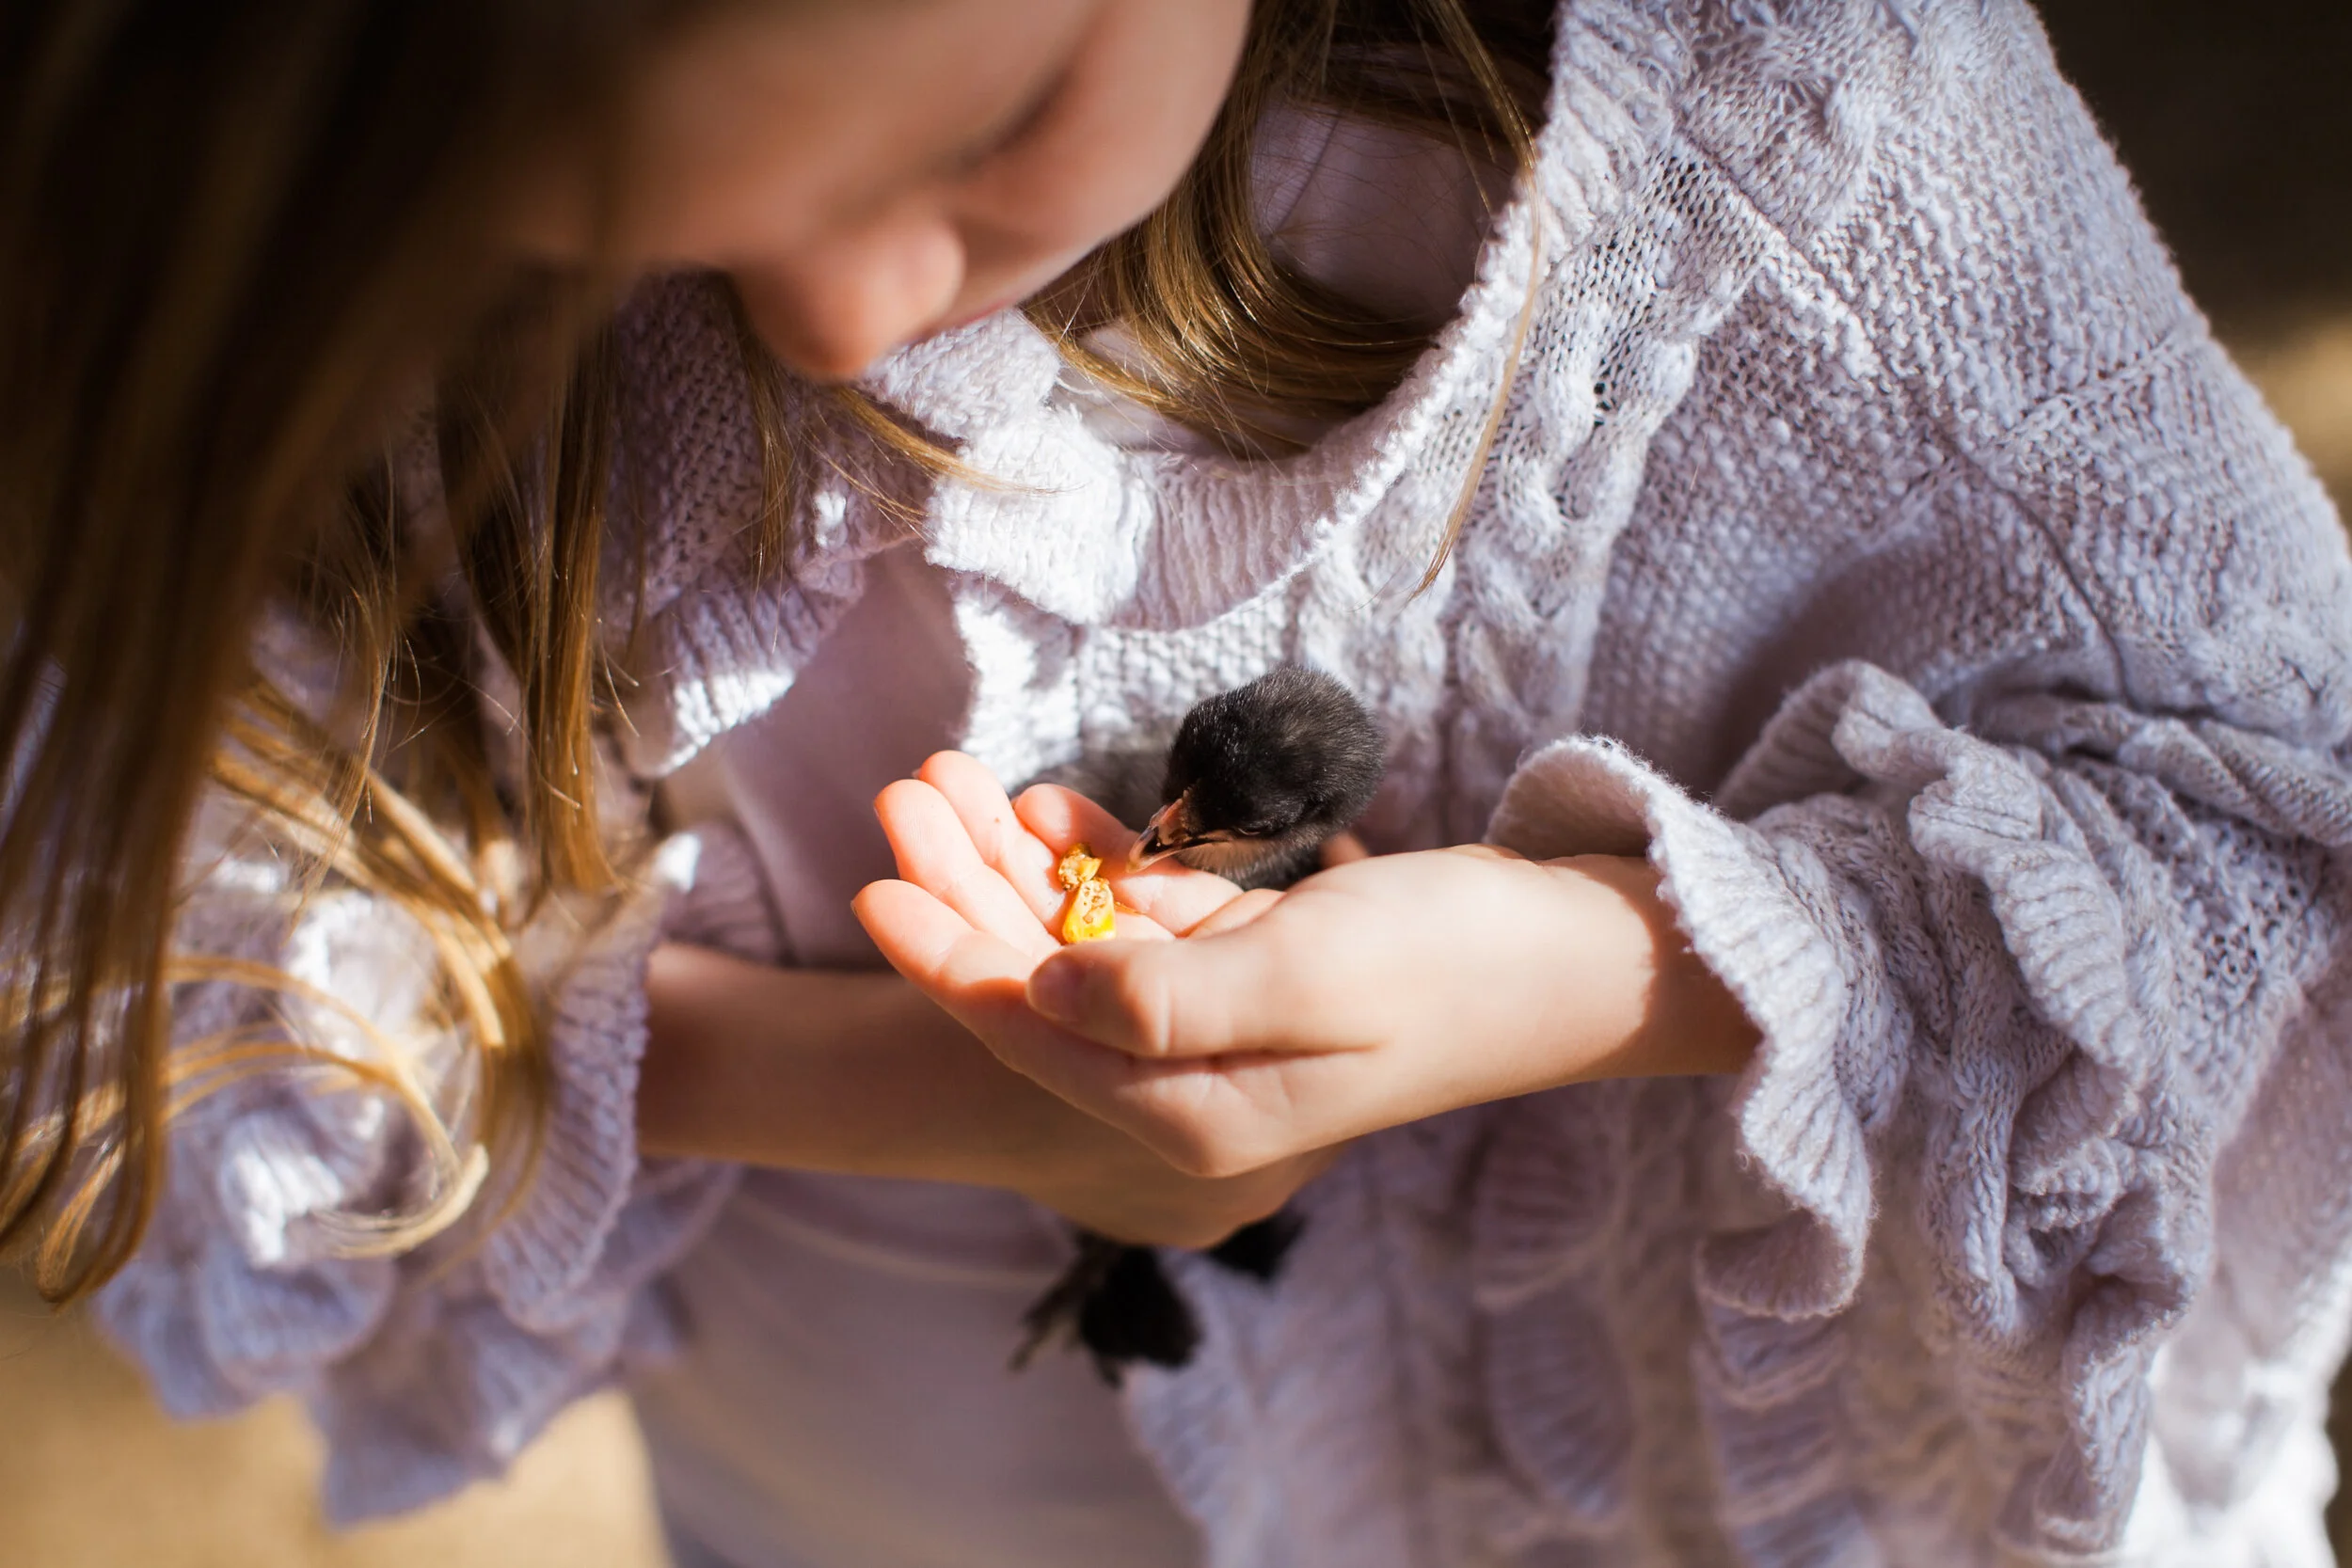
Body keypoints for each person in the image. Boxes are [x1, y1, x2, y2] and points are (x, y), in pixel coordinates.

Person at [5, 0, 2349, 1563]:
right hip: (827, 1500)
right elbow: (170, 935)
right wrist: (918, 1096)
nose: (849, 317)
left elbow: (2257, 851)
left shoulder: (1778, 156)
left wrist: (1579, 964)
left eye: (980, 131)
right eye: (626, 239)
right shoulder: (268, 237)